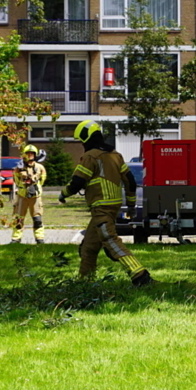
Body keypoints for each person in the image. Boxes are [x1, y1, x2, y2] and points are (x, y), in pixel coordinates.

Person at [58, 120, 153, 286]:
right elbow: (130, 181)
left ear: (86, 138)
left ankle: (139, 274)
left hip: (101, 207)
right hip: (112, 207)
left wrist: (63, 194)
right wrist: (131, 205)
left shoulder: (90, 156)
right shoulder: (115, 155)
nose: (81, 145)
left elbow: (77, 181)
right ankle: (85, 283)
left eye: (81, 141)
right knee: (88, 247)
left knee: (110, 240)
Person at [10, 144, 47, 244]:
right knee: (18, 218)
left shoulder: (40, 167)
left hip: (35, 197)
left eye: (32, 153)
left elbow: (42, 180)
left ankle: (39, 239)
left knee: (37, 219)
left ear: (35, 155)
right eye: (28, 153)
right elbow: (16, 180)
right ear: (24, 155)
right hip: (22, 196)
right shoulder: (19, 167)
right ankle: (16, 239)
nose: (30, 155)